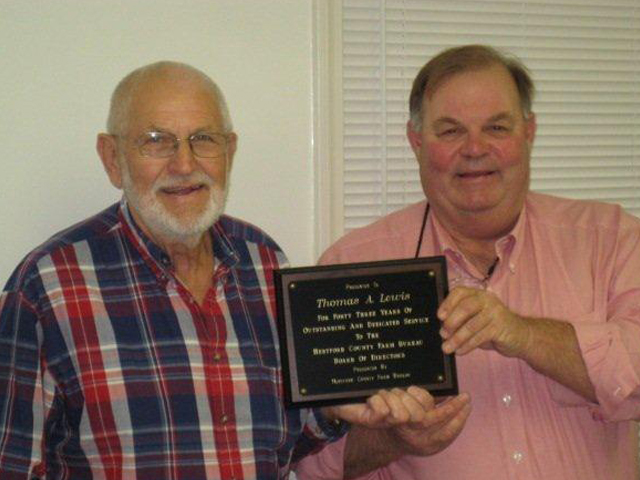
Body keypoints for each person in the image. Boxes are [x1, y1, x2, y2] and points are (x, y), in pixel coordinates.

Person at [0, 61, 469, 479]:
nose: (184, 164)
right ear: (112, 159)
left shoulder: (264, 263)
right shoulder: (48, 288)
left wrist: (330, 411)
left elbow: (281, 445)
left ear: (230, 150)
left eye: (203, 139)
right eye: (156, 141)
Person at [294, 45, 640, 480]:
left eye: (496, 127)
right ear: (416, 142)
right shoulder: (354, 265)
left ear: (529, 132)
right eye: (451, 131)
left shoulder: (611, 238)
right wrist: (395, 440)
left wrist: (524, 334)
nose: (475, 148)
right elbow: (313, 464)